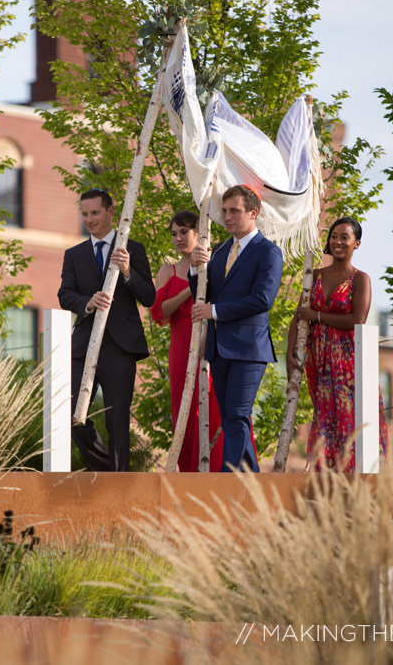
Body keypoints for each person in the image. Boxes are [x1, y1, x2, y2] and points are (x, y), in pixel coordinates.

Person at [57, 189, 156, 472]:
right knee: (71, 413)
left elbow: (149, 297)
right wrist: (87, 302)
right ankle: (106, 469)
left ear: (111, 211)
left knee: (117, 420)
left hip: (120, 346)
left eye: (95, 213)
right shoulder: (73, 254)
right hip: (84, 344)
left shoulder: (132, 250)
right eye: (84, 214)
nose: (89, 219)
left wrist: (127, 272)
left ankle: (119, 482)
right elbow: (65, 295)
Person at [189, 185, 283, 472]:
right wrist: (194, 269)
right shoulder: (218, 250)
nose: (227, 217)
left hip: (249, 348)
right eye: (225, 210)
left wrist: (215, 312)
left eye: (235, 211)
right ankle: (252, 480)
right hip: (219, 348)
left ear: (253, 213)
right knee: (230, 415)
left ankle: (226, 480)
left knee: (238, 414)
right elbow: (204, 295)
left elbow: (262, 299)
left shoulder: (269, 252)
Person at [286, 216, 388, 472]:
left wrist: (318, 317)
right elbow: (298, 318)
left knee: (348, 421)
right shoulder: (314, 275)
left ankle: (350, 479)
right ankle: (324, 478)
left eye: (345, 237)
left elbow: (358, 320)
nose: (338, 241)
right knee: (323, 420)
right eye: (333, 236)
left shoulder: (360, 279)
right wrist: (290, 355)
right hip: (319, 362)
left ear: (357, 243)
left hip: (348, 363)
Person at [150, 210, 225, 472]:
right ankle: (188, 474)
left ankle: (217, 474)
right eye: (174, 233)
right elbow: (160, 312)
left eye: (184, 232)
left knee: (215, 410)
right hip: (181, 348)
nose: (178, 238)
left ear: (199, 234)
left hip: (213, 344)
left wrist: (201, 273)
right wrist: (190, 287)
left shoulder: (216, 266)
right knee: (183, 410)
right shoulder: (167, 271)